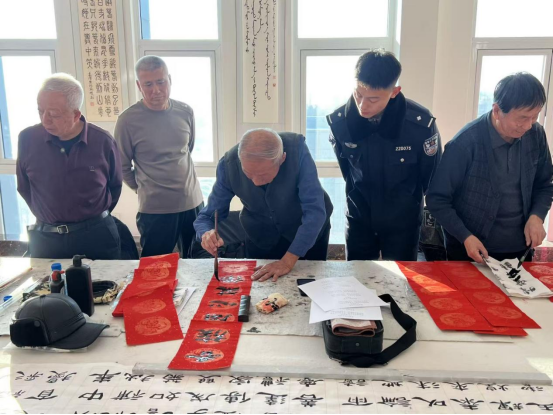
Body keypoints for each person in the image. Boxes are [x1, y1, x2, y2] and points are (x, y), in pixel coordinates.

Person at [327, 50, 442, 261]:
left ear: (394, 92)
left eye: (373, 99)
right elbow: (347, 172)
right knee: (357, 277)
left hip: (403, 222)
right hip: (359, 219)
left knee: (401, 278)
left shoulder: (419, 125)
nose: (362, 105)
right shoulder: (340, 123)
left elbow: (431, 177)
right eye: (358, 94)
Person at [427, 73, 553, 263]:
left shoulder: (536, 135)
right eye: (522, 118)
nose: (528, 125)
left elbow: (544, 184)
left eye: (534, 117)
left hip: (520, 251)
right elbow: (437, 199)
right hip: (471, 252)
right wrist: (465, 236)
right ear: (496, 110)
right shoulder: (465, 144)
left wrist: (537, 216)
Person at [194, 129, 333, 282]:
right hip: (260, 234)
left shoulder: (297, 151)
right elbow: (206, 217)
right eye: (248, 174)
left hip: (305, 230)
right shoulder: (228, 165)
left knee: (309, 284)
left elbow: (314, 212)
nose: (255, 182)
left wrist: (287, 261)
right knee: (260, 285)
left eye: (263, 175)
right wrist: (206, 233)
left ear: (282, 159)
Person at [17, 73, 122, 259]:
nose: (45, 120)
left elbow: (115, 186)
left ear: (76, 114)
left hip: (96, 236)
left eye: (54, 114)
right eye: (40, 111)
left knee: (105, 279)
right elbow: (24, 187)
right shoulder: (28, 139)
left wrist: (88, 220)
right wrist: (50, 215)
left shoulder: (102, 141)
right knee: (46, 280)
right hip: (46, 239)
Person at [115, 56, 204, 258]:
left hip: (192, 203)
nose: (156, 90)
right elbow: (121, 166)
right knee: (155, 267)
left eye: (160, 82)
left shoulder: (185, 111)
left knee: (198, 262)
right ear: (139, 86)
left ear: (169, 80)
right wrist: (144, 188)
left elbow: (186, 149)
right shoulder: (127, 120)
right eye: (148, 84)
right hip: (155, 210)